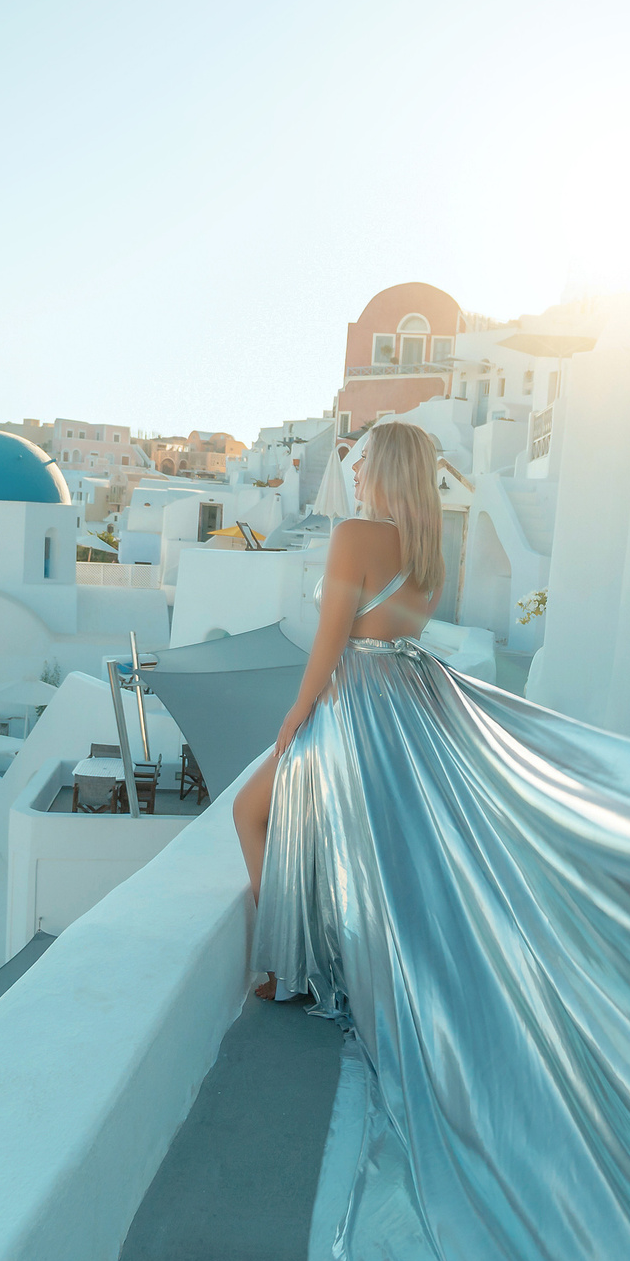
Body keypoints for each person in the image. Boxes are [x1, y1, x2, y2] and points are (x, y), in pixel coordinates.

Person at [234, 420, 445, 1006]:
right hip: (402, 710)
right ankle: (318, 965)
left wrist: (295, 715)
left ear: (388, 468)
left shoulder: (355, 535)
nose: (354, 469)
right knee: (347, 843)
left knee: (249, 811)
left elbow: (332, 642)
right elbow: (400, 638)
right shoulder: (431, 553)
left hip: (348, 705)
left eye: (365, 459)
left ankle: (287, 968)